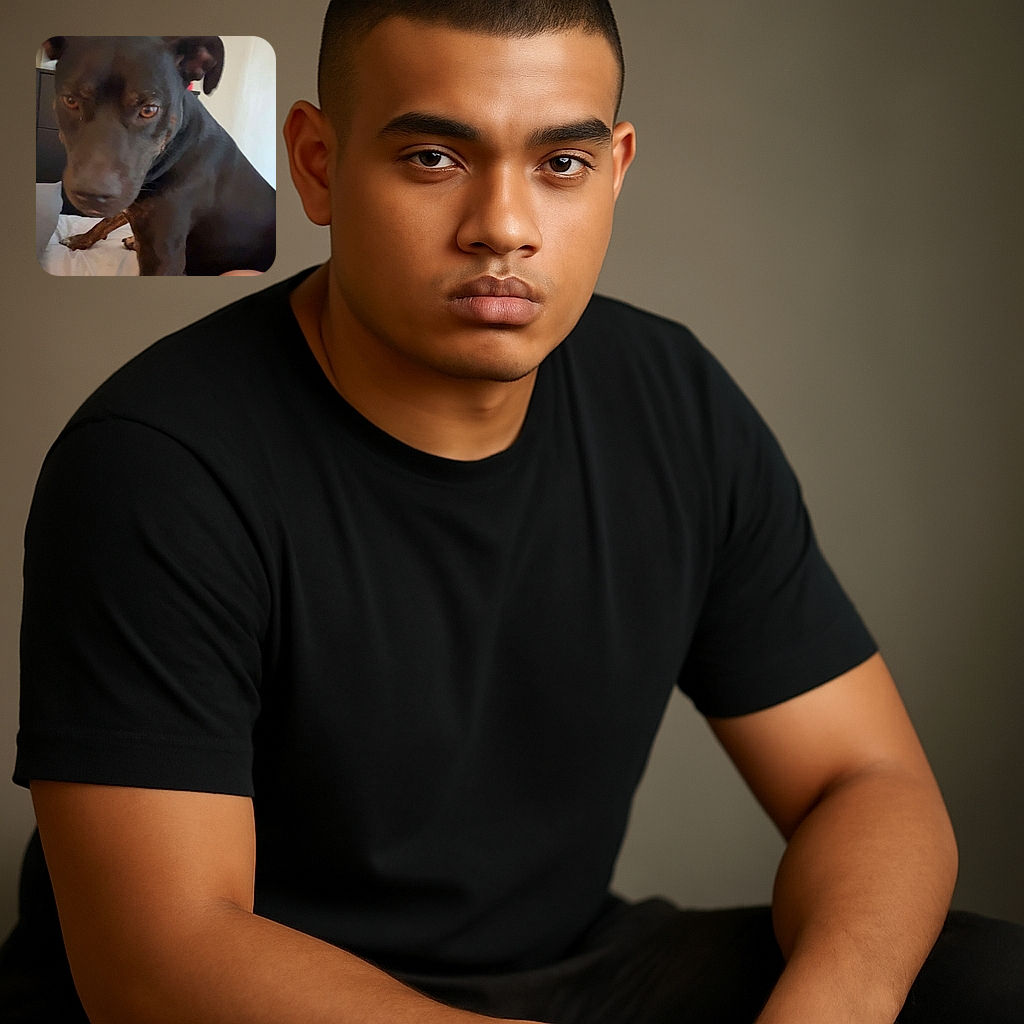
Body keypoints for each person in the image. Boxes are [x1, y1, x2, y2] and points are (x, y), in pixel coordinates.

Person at [1, 1, 1021, 1021]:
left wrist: (833, 1009)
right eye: (435, 158)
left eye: (560, 164)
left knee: (973, 984)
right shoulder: (157, 464)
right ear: (316, 163)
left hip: (565, 979)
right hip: (261, 1004)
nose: (504, 226)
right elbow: (161, 961)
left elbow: (866, 778)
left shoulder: (670, 399)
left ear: (616, 168)